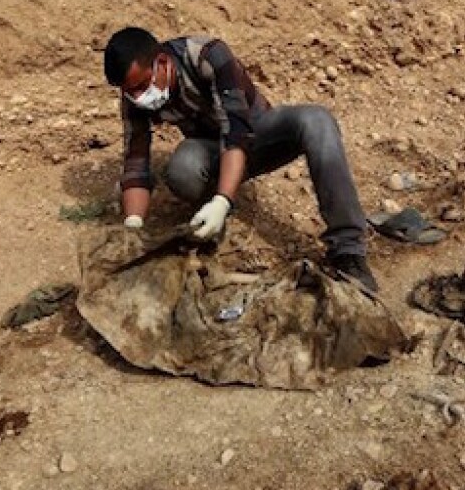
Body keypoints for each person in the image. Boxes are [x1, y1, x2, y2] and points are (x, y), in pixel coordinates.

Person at [102, 27, 378, 292]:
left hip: (260, 135)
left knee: (316, 120)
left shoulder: (207, 55)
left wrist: (223, 201)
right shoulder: (134, 96)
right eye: (130, 92)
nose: (138, 97)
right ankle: (210, 218)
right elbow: (136, 162)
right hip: (214, 153)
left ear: (162, 62)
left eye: (141, 86)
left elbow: (235, 132)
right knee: (183, 167)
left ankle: (348, 251)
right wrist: (133, 226)